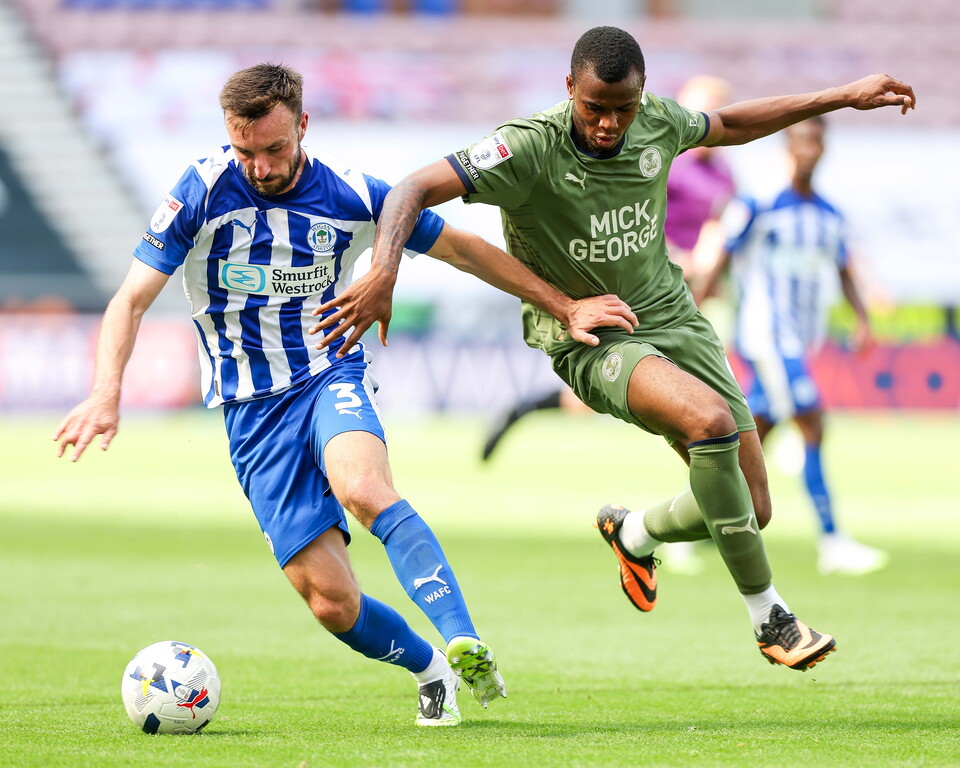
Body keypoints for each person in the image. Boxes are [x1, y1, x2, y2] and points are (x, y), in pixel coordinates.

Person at [312, 27, 915, 672]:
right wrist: (384, 270)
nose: (607, 123)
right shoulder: (525, 148)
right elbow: (409, 188)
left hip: (676, 318)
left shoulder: (655, 121)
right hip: (590, 334)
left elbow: (730, 123)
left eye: (621, 108)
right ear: (569, 88)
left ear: (642, 95)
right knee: (708, 422)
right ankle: (772, 617)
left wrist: (842, 95)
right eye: (594, 106)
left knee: (751, 506)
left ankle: (635, 533)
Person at [53, 63, 637, 726]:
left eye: (275, 149)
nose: (262, 166)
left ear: (303, 126)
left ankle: (462, 635)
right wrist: (106, 391)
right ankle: (430, 667)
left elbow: (465, 250)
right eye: (246, 151)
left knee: (363, 488)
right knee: (331, 601)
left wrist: (564, 305)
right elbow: (129, 300)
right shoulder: (199, 193)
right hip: (252, 413)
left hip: (330, 375)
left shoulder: (355, 195)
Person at [477, 75, 736, 479]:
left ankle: (712, 498)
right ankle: (525, 409)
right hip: (652, 281)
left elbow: (721, 228)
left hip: (701, 289)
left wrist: (711, 267)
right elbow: (634, 213)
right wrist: (678, 259)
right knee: (658, 399)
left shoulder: (723, 175)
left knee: (710, 400)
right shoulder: (666, 158)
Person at [695, 116, 888, 576]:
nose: (808, 151)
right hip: (766, 337)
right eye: (800, 141)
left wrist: (861, 319)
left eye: (816, 142)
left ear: (823, 149)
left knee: (753, 437)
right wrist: (696, 312)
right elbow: (721, 255)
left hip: (798, 341)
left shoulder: (829, 215)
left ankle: (697, 527)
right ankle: (832, 541)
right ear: (788, 147)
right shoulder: (759, 204)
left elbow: (843, 270)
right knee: (813, 425)